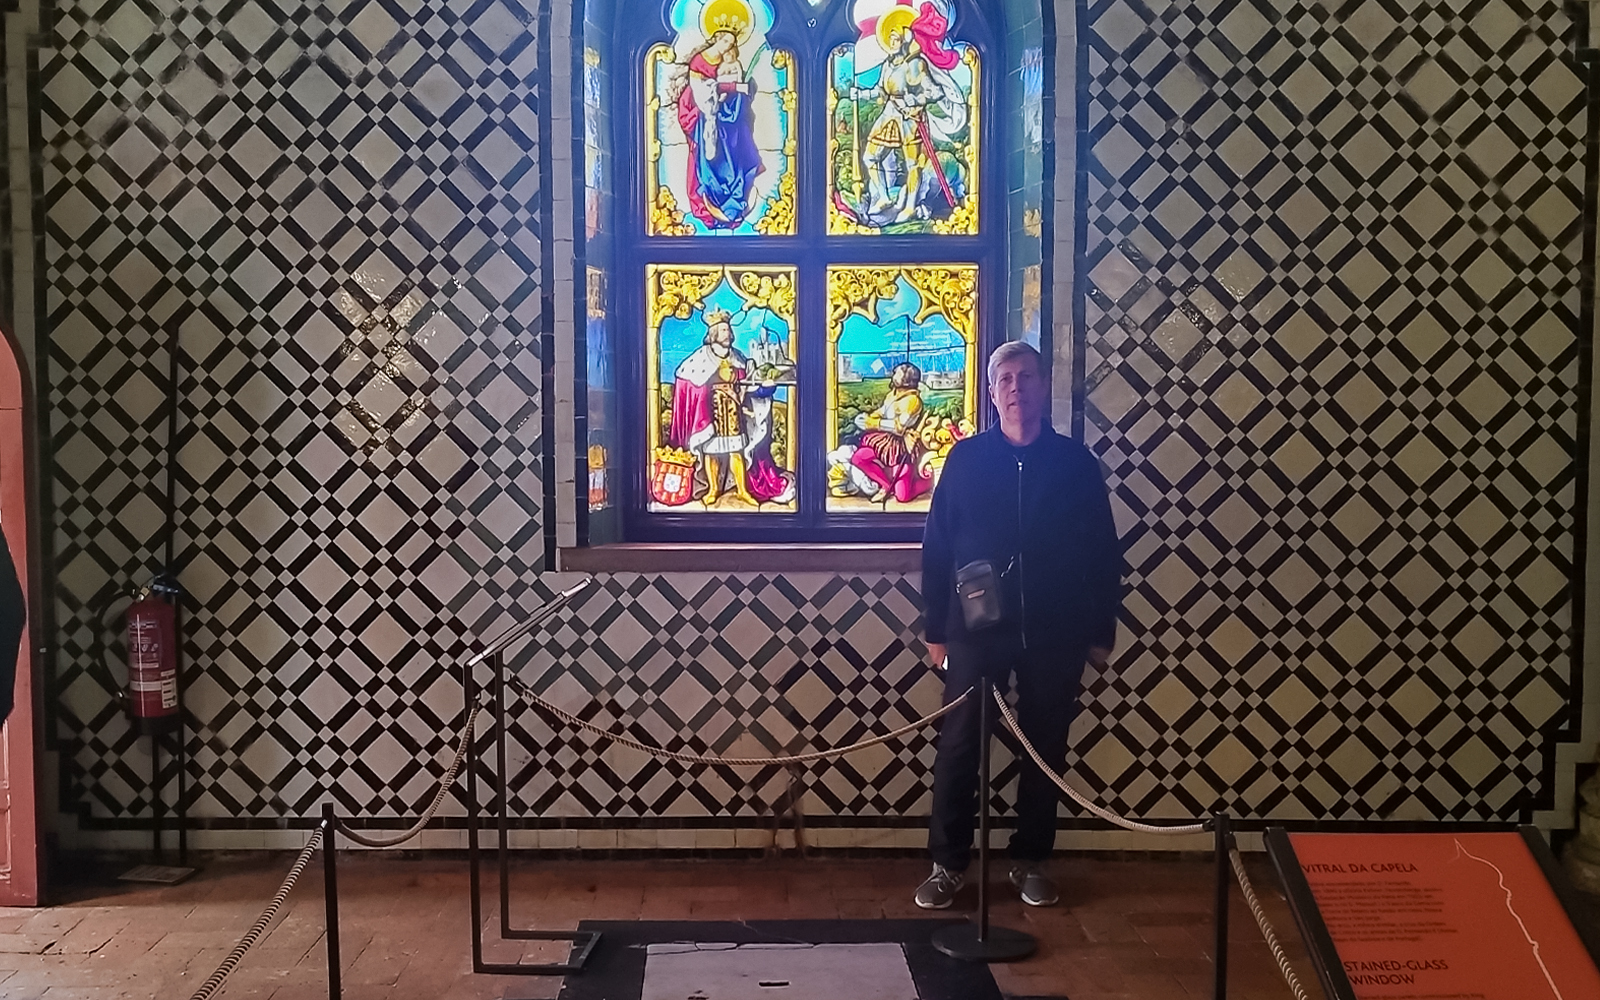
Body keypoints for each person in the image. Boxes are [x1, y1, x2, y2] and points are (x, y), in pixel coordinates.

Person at [916, 341, 1123, 909]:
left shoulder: (1075, 464)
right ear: (990, 391)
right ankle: (947, 864)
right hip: (975, 627)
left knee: (1045, 747)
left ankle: (1030, 859)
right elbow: (937, 547)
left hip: (1057, 628)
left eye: (1025, 376)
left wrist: (1101, 628)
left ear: (1042, 384)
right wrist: (936, 629)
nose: (1015, 387)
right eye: (1004, 378)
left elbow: (1103, 550)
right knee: (960, 745)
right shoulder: (965, 459)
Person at [668, 309, 791, 506]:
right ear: (714, 334)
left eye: (728, 330)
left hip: (734, 412)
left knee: (737, 451)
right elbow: (688, 384)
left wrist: (765, 388)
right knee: (711, 452)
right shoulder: (699, 359)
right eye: (723, 330)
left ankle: (743, 490)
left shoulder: (738, 358)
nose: (728, 333)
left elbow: (749, 387)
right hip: (710, 415)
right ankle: (713, 489)